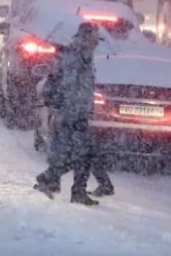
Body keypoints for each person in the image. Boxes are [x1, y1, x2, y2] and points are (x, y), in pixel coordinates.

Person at [35, 22, 113, 205]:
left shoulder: (84, 56)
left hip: (76, 112)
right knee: (83, 154)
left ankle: (54, 180)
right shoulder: (75, 57)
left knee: (79, 154)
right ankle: (68, 188)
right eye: (95, 36)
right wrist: (73, 110)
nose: (97, 41)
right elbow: (70, 86)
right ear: (86, 37)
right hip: (71, 114)